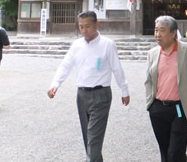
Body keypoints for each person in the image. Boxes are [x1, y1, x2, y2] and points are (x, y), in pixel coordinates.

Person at [47, 11, 130, 162]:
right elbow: (66, 65)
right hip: (82, 94)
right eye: (81, 27)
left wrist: (124, 90)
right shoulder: (76, 45)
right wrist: (55, 84)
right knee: (88, 137)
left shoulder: (107, 44)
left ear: (97, 24)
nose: (84, 30)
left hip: (101, 94)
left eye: (88, 26)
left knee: (93, 137)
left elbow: (117, 68)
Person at [146, 16, 187, 162]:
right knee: (165, 151)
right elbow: (149, 81)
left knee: (175, 152)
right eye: (156, 30)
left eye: (162, 31)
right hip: (158, 108)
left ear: (173, 33)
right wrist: (150, 104)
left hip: (179, 108)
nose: (157, 34)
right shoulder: (152, 53)